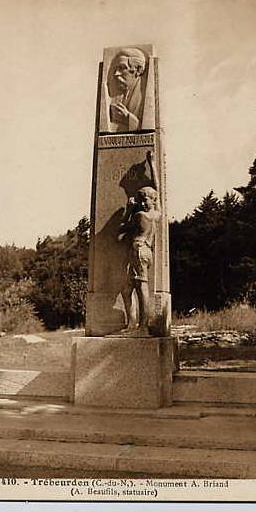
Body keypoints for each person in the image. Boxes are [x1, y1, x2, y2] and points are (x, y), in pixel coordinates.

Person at [118, 151, 161, 335]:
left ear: (152, 200)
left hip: (138, 250)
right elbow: (157, 187)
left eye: (145, 200)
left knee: (140, 286)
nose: (143, 202)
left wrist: (128, 209)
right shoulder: (156, 213)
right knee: (127, 289)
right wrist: (152, 164)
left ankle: (142, 326)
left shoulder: (139, 216)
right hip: (146, 251)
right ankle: (133, 324)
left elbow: (121, 229)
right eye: (141, 200)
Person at [107, 47, 147, 132]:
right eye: (116, 69)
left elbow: (146, 127)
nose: (116, 74)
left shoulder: (145, 96)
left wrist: (127, 118)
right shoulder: (118, 95)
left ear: (138, 70)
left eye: (122, 68)